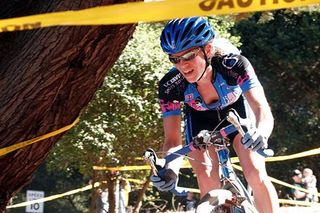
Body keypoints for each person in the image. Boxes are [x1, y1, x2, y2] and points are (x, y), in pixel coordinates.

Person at [150, 17, 279, 213]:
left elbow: (262, 109)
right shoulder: (170, 86)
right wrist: (170, 170)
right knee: (206, 176)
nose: (183, 65)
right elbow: (173, 141)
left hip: (236, 113)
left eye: (189, 56)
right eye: (175, 59)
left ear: (207, 50)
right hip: (200, 120)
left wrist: (261, 133)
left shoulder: (234, 65)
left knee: (254, 172)